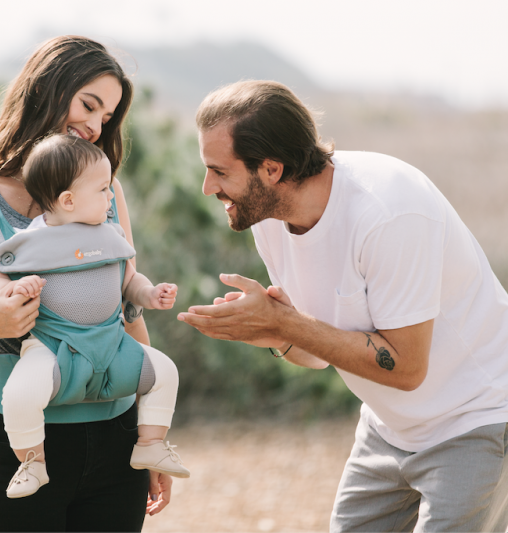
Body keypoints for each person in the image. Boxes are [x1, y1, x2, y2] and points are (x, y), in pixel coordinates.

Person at [178, 79, 508, 531]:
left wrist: (285, 322)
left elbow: (407, 367)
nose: (206, 186)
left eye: (219, 171)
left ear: (271, 169)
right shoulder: (270, 220)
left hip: (476, 419)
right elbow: (317, 353)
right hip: (387, 430)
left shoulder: (387, 213)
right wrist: (276, 333)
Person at [0, 36, 172, 531]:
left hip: (116, 440)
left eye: (107, 118)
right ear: (46, 90)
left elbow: (124, 316)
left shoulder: (106, 192)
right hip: (17, 450)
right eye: (88, 105)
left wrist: (148, 440)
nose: (94, 127)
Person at [0, 134, 189, 499]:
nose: (111, 197)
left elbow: (129, 279)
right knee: (18, 395)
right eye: (103, 190)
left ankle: (151, 443)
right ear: (68, 200)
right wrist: (13, 291)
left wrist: (150, 293)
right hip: (54, 350)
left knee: (166, 371)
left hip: (112, 346)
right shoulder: (30, 242)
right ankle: (32, 462)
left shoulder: (109, 235)